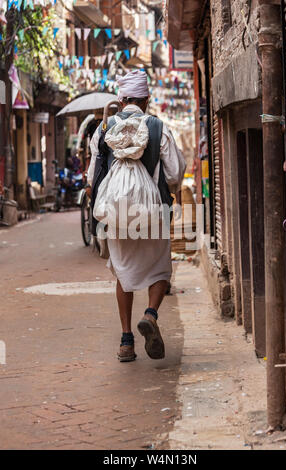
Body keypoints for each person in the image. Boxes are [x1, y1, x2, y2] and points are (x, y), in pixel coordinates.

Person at [87, 70, 186, 363]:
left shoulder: (104, 129)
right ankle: (151, 314)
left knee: (123, 273)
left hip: (117, 214)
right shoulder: (158, 128)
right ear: (147, 100)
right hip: (152, 213)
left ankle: (126, 340)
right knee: (160, 270)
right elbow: (175, 173)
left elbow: (94, 175)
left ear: (121, 99)